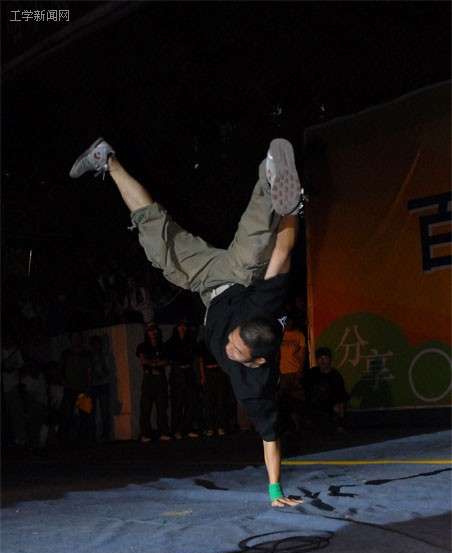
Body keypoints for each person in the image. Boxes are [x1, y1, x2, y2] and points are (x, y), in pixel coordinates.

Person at [70, 136, 304, 507]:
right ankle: (271, 169)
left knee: (159, 243)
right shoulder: (265, 305)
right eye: (233, 339)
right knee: (257, 244)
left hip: (204, 282)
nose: (228, 346)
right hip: (239, 275)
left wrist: (275, 491)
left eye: (234, 350)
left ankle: (107, 160)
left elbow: (270, 438)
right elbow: (284, 250)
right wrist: (294, 210)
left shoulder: (255, 388)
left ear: (257, 360)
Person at [136, 323, 171, 442]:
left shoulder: (163, 346)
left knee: (162, 407)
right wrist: (155, 363)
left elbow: (166, 361)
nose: (153, 332)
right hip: (148, 379)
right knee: (145, 408)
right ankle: (145, 434)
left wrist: (153, 363)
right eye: (150, 330)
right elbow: (143, 360)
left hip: (160, 379)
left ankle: (164, 432)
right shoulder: (142, 346)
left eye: (155, 330)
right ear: (147, 332)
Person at [165, 319, 199, 439]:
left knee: (190, 401)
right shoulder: (171, 342)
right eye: (180, 326)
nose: (183, 328)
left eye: (184, 326)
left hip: (188, 372)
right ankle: (176, 430)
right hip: (177, 373)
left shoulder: (191, 341)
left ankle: (188, 428)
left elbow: (194, 356)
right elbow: (169, 357)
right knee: (177, 402)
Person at [301, 347, 349, 434]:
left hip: (329, 407)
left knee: (338, 407)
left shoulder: (335, 376)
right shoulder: (312, 373)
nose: (322, 361)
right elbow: (303, 388)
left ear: (330, 360)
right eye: (320, 358)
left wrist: (340, 420)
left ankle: (338, 425)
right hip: (313, 406)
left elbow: (341, 396)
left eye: (325, 358)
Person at [278, 315, 306, 435]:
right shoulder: (279, 335)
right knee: (284, 401)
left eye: (289, 321)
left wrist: (300, 370)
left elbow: (303, 354)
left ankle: (298, 427)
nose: (288, 323)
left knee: (297, 400)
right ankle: (287, 427)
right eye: (286, 321)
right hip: (282, 373)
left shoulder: (299, 335)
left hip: (295, 372)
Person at [198, 340, 230, 436]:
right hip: (208, 372)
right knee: (209, 401)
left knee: (220, 401)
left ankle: (220, 426)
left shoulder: (219, 341)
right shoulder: (204, 342)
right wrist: (203, 376)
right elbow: (201, 360)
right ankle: (210, 427)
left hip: (219, 372)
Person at [89, 335, 116, 442]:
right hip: (92, 385)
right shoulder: (89, 357)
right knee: (91, 411)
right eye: (94, 344)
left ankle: (105, 434)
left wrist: (101, 374)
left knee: (104, 410)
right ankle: (92, 434)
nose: (96, 347)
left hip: (103, 384)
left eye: (98, 344)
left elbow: (108, 371)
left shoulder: (105, 355)